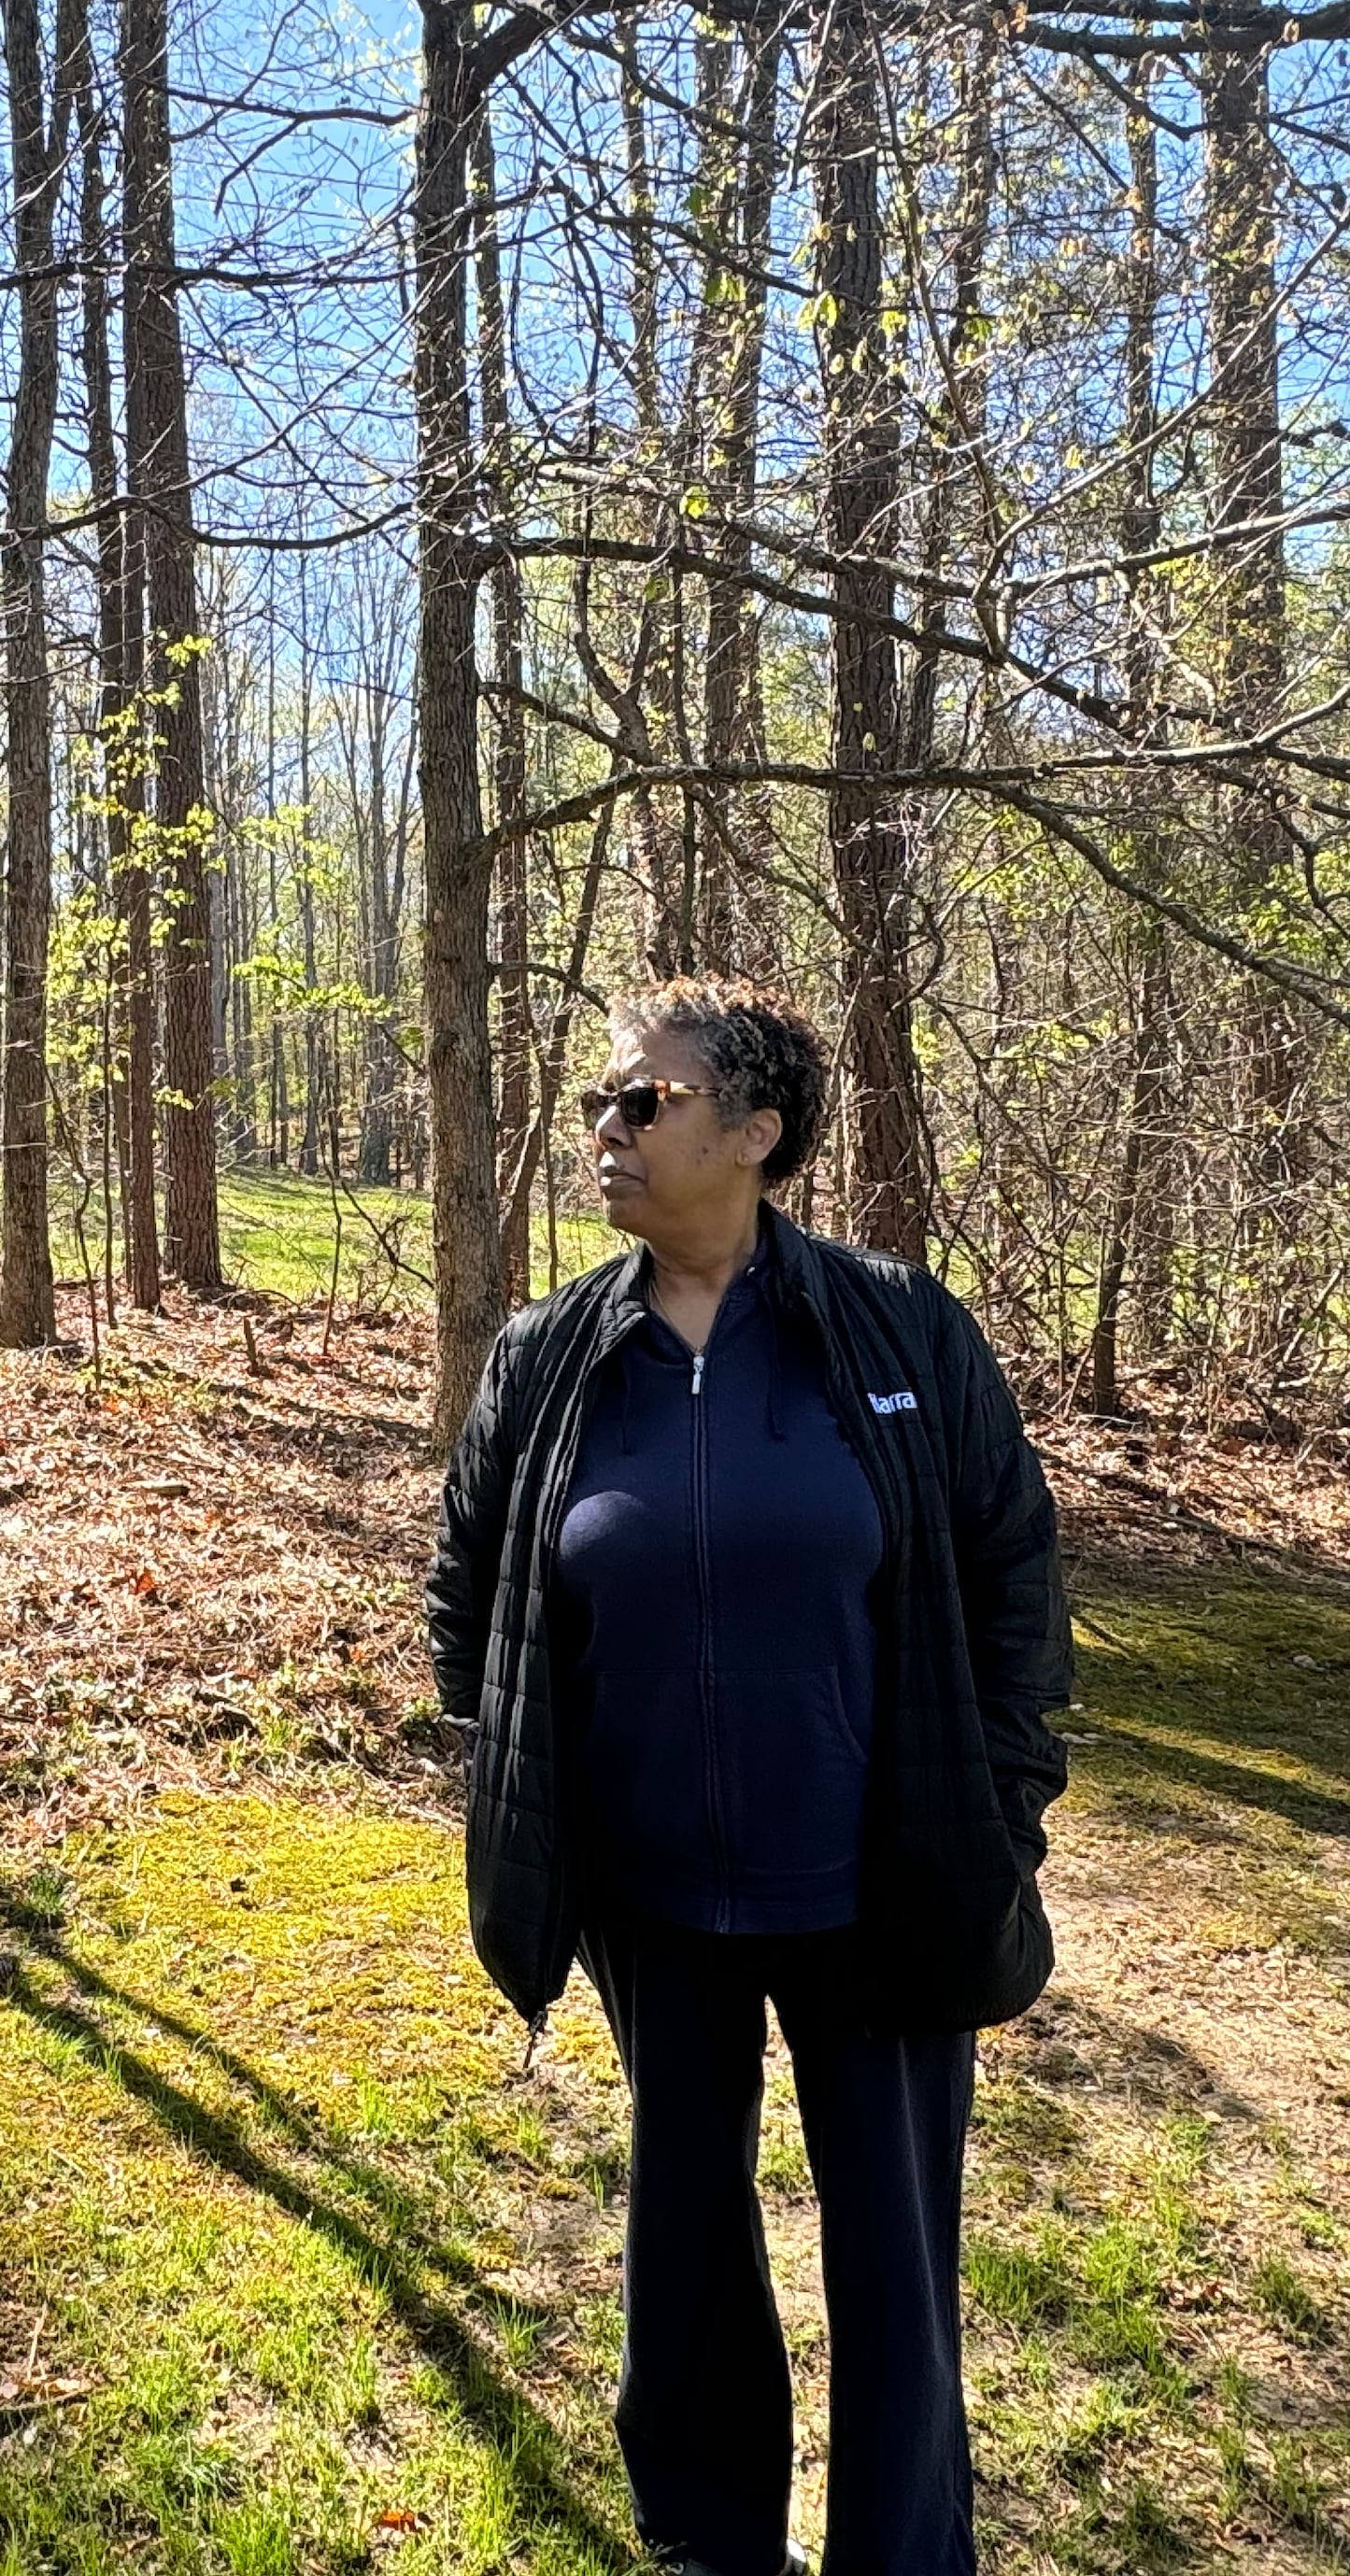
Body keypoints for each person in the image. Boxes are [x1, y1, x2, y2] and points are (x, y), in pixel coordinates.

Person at [427, 979, 1072, 2576]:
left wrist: (997, 1796)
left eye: (640, 1102)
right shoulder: (555, 1352)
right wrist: (530, 1784)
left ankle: (901, 2553)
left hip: (883, 1879)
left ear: (755, 1131)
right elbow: (472, 1589)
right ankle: (713, 2540)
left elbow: (1013, 1573)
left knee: (896, 2249)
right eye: (599, 1102)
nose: (604, 1129)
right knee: (688, 2231)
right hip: (653, 1897)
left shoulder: (897, 1326)